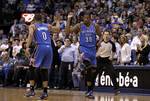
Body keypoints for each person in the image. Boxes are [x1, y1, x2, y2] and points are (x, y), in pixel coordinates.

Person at [65, 11, 101, 99]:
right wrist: (69, 19)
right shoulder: (79, 26)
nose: (86, 19)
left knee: (91, 73)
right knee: (88, 65)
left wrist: (98, 44)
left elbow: (101, 36)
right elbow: (67, 32)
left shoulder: (95, 26)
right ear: (82, 18)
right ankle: (82, 67)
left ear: (90, 18)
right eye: (84, 18)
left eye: (88, 18)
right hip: (83, 49)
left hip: (92, 50)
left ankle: (89, 91)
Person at [25, 13, 60, 100]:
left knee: (31, 67)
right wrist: (58, 21)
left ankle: (32, 90)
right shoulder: (47, 25)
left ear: (34, 20)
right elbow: (58, 29)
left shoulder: (33, 26)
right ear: (42, 19)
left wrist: (27, 47)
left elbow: (30, 35)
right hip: (49, 48)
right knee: (44, 70)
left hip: (40, 46)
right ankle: (45, 92)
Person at [96, 31, 120, 95]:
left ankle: (116, 89)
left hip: (107, 60)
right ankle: (90, 90)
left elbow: (114, 51)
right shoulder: (99, 43)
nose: (106, 36)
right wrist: (96, 55)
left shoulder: (112, 43)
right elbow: (95, 50)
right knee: (94, 73)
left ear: (109, 36)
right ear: (103, 35)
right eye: (105, 34)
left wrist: (111, 57)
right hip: (100, 60)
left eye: (107, 34)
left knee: (112, 73)